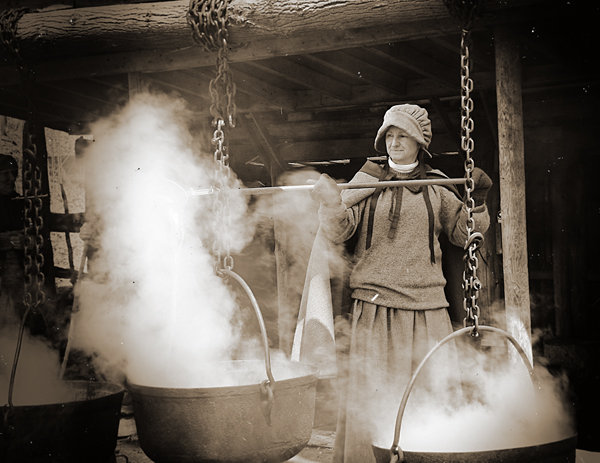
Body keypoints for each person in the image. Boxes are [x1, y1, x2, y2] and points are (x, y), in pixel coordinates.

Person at [309, 104, 492, 463]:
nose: (393, 142)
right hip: (374, 308)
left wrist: (479, 202)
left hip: (428, 310)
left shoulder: (436, 186)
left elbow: (461, 233)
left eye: (401, 135)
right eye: (388, 136)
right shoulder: (367, 182)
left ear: (419, 141)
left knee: (430, 393)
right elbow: (340, 229)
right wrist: (332, 204)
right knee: (372, 395)